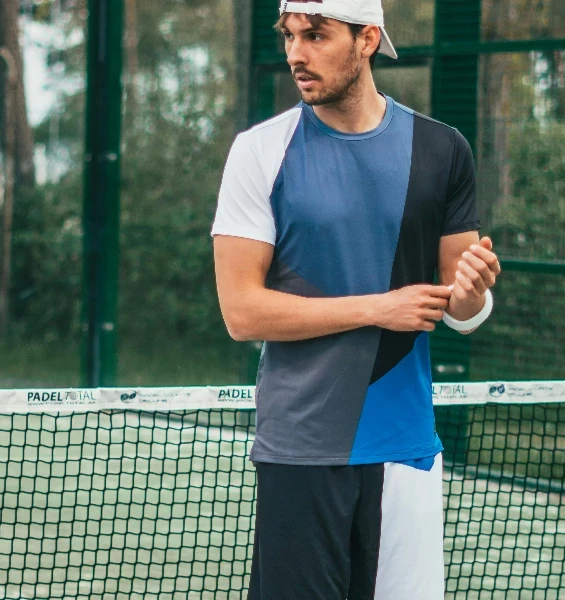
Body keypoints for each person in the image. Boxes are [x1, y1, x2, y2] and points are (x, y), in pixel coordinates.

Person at [211, 1, 500, 598]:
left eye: (315, 36)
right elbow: (241, 313)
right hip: (300, 449)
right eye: (290, 36)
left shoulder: (443, 150)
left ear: (368, 39)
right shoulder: (259, 152)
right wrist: (377, 307)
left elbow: (461, 309)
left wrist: (472, 296)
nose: (296, 53)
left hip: (406, 448)